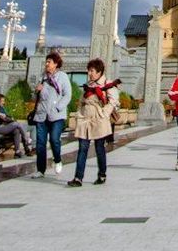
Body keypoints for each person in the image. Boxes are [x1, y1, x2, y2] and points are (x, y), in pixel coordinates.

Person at [68, 58, 118, 187]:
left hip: (98, 120)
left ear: (99, 72)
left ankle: (102, 174)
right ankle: (78, 178)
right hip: (85, 120)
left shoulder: (107, 84)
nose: (89, 73)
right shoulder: (89, 85)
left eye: (92, 71)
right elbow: (81, 101)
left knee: (99, 148)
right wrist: (79, 114)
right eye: (89, 70)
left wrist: (103, 114)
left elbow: (113, 102)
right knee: (82, 148)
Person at [30, 50, 69, 178]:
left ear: (56, 64)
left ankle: (57, 160)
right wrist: (36, 90)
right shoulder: (43, 77)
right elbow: (38, 96)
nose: (47, 64)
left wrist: (58, 107)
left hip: (56, 115)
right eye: (46, 62)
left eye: (49, 62)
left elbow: (67, 94)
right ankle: (41, 170)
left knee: (54, 139)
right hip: (42, 114)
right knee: (40, 143)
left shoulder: (62, 76)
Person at [0, 92, 32, 156]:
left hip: (3, 126)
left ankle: (17, 151)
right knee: (16, 124)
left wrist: (5, 117)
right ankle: (26, 139)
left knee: (17, 130)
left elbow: (6, 117)